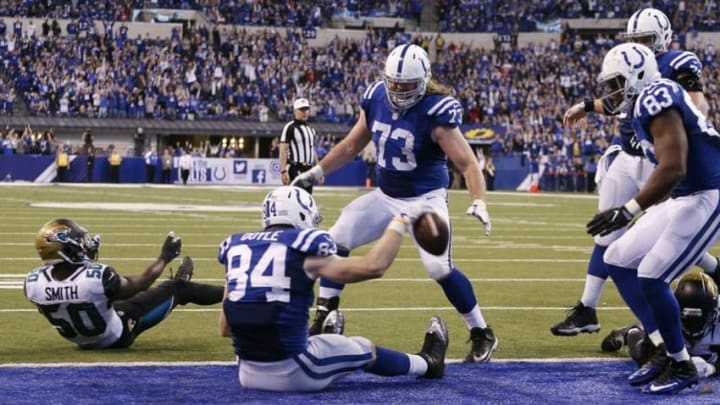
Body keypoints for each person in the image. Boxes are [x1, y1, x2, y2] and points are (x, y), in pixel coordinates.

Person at [292, 44, 495, 363]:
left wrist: (479, 200)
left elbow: (468, 164)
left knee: (438, 267)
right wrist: (317, 172)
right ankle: (324, 317)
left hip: (424, 199)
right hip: (386, 196)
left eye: (407, 86)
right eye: (395, 84)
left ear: (424, 80)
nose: (399, 92)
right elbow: (351, 146)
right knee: (334, 239)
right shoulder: (375, 97)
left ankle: (482, 332)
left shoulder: (436, 111)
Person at [553, 7, 720, 337]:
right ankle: (588, 308)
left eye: (645, 40)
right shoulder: (632, 72)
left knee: (671, 232)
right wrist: (587, 105)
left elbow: (698, 105)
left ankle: (709, 275)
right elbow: (616, 101)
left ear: (661, 39)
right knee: (610, 237)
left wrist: (668, 103)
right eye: (635, 40)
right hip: (629, 156)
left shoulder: (673, 66)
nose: (639, 46)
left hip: (660, 161)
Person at [585, 42, 720, 394]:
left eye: (617, 82)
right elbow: (669, 173)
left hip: (708, 195)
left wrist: (626, 210)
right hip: (684, 196)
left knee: (651, 274)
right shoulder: (641, 107)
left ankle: (682, 363)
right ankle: (663, 347)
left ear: (637, 75)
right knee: (616, 258)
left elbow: (674, 166)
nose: (612, 91)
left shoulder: (654, 96)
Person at [218, 186, 448, 392]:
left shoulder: (236, 247)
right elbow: (373, 267)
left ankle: (327, 341)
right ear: (300, 214)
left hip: (247, 374)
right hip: (295, 372)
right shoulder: (303, 245)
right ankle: (428, 363)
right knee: (362, 348)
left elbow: (225, 328)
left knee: (322, 345)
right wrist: (401, 220)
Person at [24, 219, 224, 349]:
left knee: (113, 297)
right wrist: (165, 257)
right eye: (79, 240)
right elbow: (142, 283)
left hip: (82, 337)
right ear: (66, 249)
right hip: (116, 335)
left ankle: (170, 289)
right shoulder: (97, 278)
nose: (85, 243)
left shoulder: (33, 282)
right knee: (178, 289)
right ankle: (234, 293)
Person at [601, 272, 719, 379]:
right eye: (687, 318)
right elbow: (648, 358)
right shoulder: (666, 315)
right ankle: (630, 331)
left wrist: (712, 369)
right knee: (641, 355)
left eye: (701, 319)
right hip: (671, 348)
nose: (694, 325)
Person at [279, 98, 318, 194]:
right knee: (296, 196)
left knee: (307, 197)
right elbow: (283, 149)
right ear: (295, 111)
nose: (305, 112)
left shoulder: (310, 129)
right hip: (295, 167)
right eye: (302, 110)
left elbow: (312, 150)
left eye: (306, 109)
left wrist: (318, 168)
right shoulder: (290, 127)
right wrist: (284, 170)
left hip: (308, 168)